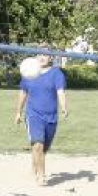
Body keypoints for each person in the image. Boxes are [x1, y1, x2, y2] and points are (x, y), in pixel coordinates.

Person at [15, 52, 67, 186]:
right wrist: (18, 112)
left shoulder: (56, 73)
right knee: (38, 144)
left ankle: (34, 168)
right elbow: (23, 93)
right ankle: (41, 176)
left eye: (46, 54)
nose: (42, 57)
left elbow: (60, 91)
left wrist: (63, 107)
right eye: (39, 54)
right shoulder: (29, 72)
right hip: (33, 114)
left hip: (51, 117)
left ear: (51, 58)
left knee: (43, 149)